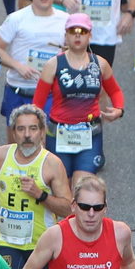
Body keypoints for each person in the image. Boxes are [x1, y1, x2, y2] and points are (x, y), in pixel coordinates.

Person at [0, 102, 72, 269]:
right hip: (7, 239)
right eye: (21, 129)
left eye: (33, 129)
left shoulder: (52, 164)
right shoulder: (1, 155)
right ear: (13, 132)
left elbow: (69, 209)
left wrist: (41, 195)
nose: (27, 135)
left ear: (41, 132)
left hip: (41, 242)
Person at [30, 12, 125, 188]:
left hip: (90, 135)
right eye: (73, 31)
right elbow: (37, 104)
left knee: (84, 189)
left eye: (83, 31)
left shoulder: (101, 64)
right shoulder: (53, 65)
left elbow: (116, 91)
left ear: (90, 35)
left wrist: (119, 109)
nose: (78, 35)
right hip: (59, 135)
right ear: (66, 36)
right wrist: (39, 132)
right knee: (62, 191)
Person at [0, 0, 67, 128]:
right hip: (18, 89)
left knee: (46, 145)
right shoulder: (16, 19)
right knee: (15, 144)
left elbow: (78, 53)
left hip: (51, 92)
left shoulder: (66, 20)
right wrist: (18, 66)